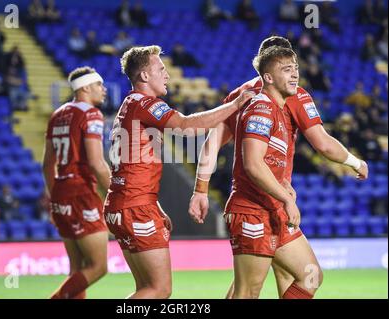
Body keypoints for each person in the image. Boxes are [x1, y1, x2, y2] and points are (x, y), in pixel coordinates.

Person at [188, 36, 369, 298]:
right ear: (268, 72)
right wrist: (354, 162)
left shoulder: (241, 94)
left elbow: (212, 142)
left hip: (275, 202)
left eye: (294, 67)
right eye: (286, 67)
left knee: (307, 275)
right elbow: (322, 144)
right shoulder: (276, 100)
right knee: (249, 289)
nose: (294, 74)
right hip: (255, 204)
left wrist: (201, 189)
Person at [103, 45, 254, 299]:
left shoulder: (129, 105)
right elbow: (187, 126)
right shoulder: (145, 104)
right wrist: (236, 105)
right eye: (160, 69)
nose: (167, 75)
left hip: (125, 203)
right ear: (144, 76)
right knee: (159, 289)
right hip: (135, 206)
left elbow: (133, 165)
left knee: (146, 289)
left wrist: (155, 206)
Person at [42, 66, 111, 299]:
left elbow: (47, 165)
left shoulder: (57, 114)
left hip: (60, 192)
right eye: (99, 85)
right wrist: (118, 191)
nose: (104, 89)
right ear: (86, 87)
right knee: (98, 267)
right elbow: (96, 163)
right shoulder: (91, 114)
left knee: (77, 270)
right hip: (81, 192)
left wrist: (55, 200)